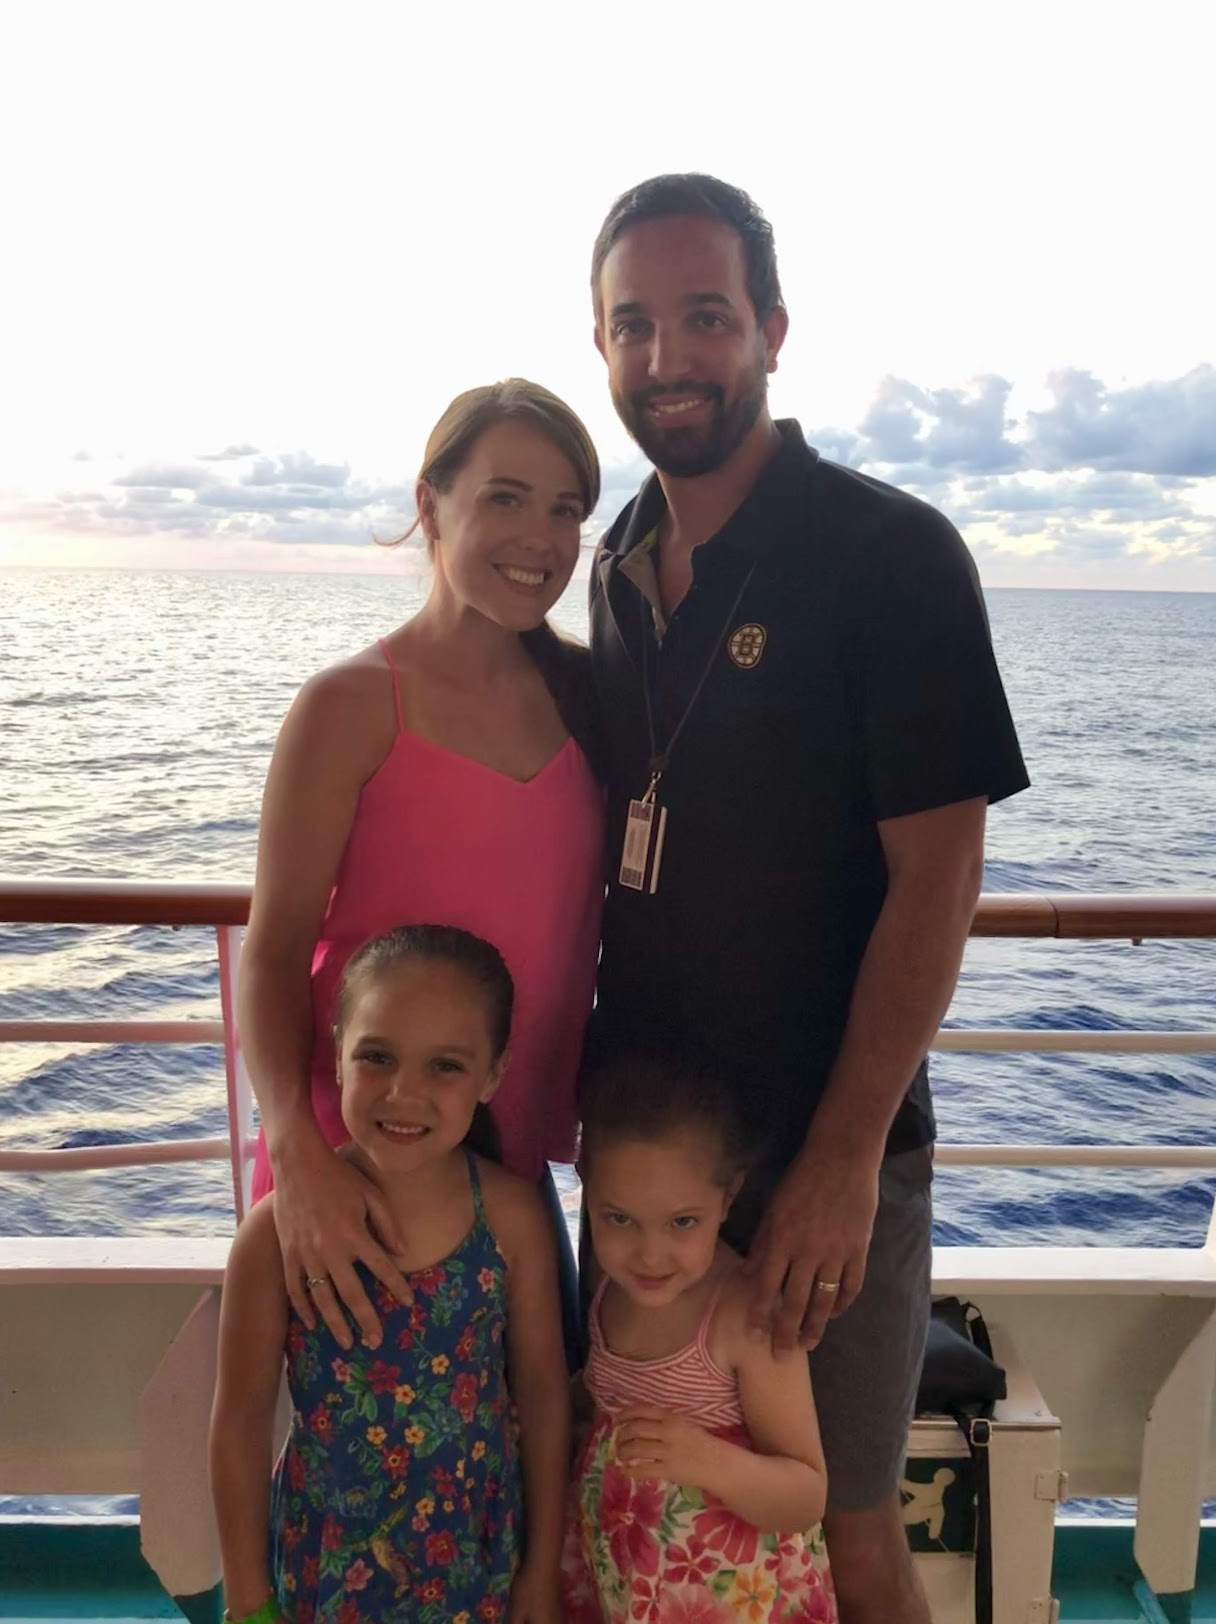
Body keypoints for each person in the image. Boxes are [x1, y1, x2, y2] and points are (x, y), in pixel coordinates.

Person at [585, 174, 1029, 1624]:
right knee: (641, 1496)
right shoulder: (616, 565)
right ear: (601, 347)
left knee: (843, 1527)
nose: (669, 359)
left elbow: (939, 875)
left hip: (826, 1155)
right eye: (633, 324)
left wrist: (845, 1159)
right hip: (653, 1164)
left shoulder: (889, 555)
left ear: (772, 327)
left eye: (704, 316)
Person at [239, 379, 604, 1356]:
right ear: (428, 504)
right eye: (505, 497)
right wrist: (300, 1160)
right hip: (357, 1180)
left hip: (512, 1187)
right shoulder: (350, 705)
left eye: (565, 509)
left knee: (515, 1468)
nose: (539, 536)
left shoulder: (592, 701)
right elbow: (271, 955)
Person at [210, 923, 570, 1624]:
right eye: (377, 1056)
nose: (404, 1093)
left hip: (477, 1559)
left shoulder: (514, 1219)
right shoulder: (275, 1235)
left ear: (494, 1074)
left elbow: (545, 1396)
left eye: (445, 1066)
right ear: (337, 1056)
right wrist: (248, 1599)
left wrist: (539, 1572)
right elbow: (241, 1421)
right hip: (325, 1564)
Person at [562, 1051, 836, 1624]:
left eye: (682, 1222)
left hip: (733, 1602)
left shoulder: (742, 1316)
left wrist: (706, 1460)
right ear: (587, 1186)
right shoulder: (610, 1293)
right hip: (627, 1585)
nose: (649, 1253)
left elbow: (806, 1495)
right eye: (618, 1219)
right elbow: (605, 1399)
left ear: (728, 1198)